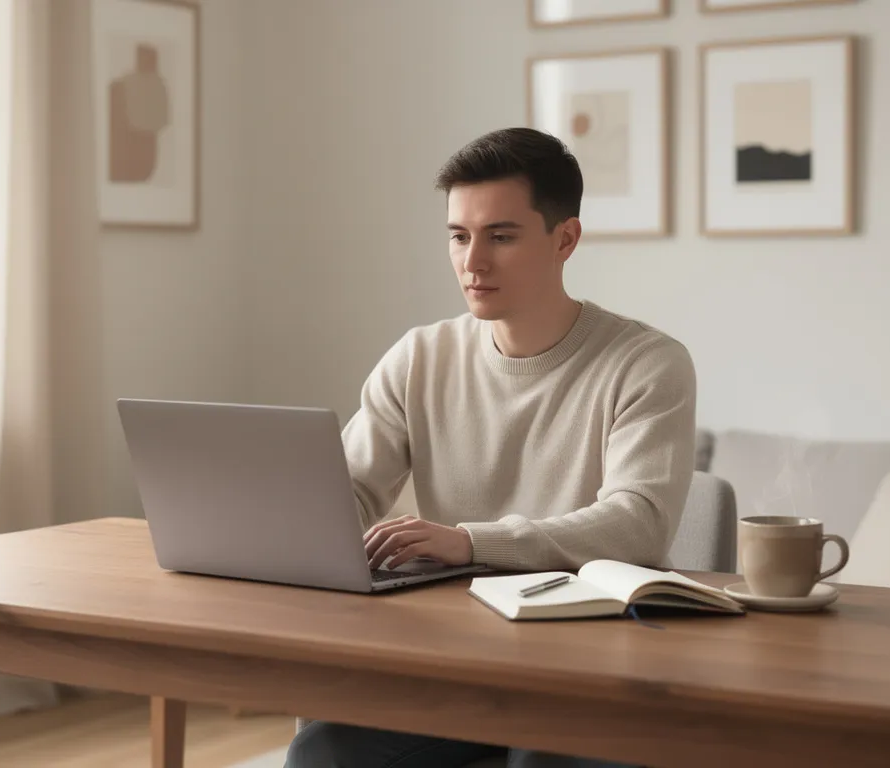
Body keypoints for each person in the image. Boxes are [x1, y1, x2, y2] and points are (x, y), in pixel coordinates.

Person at [283, 127, 697, 768]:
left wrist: (473, 542)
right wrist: (281, 531)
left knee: (543, 756)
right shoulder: (420, 356)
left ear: (565, 239)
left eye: (500, 237)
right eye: (458, 236)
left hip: (591, 665)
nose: (473, 262)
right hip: (458, 659)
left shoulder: (648, 363)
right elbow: (352, 491)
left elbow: (637, 523)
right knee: (324, 748)